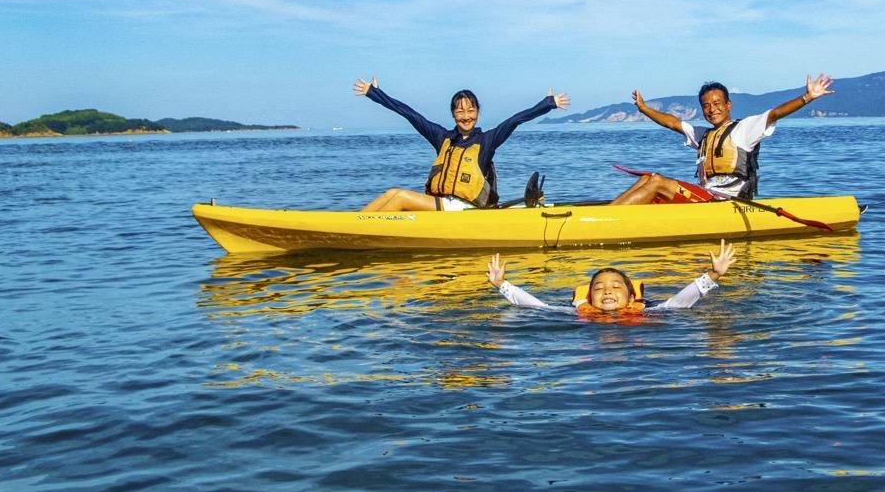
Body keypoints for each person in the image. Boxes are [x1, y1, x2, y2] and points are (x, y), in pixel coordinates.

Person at [609, 75, 833, 205]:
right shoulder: (703, 136)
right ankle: (604, 215)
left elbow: (775, 113)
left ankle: (606, 220)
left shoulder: (745, 129)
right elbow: (672, 122)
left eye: (717, 103)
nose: (712, 109)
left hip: (727, 203)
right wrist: (644, 108)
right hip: (706, 197)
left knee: (657, 182)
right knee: (648, 179)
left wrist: (807, 98)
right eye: (706, 105)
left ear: (728, 105)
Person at [353, 78, 569, 211]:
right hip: (443, 205)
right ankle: (355, 224)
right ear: (453, 114)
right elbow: (410, 114)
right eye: (460, 111)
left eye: (471, 110)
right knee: (391, 194)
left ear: (478, 112)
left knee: (398, 196)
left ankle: (357, 228)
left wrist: (548, 104)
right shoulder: (442, 138)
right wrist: (375, 93)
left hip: (463, 208)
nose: (466, 116)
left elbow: (515, 120)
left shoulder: (487, 141)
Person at [486, 241, 736, 315]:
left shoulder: (647, 311)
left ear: (631, 296)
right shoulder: (576, 312)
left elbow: (679, 303)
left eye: (616, 286)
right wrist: (502, 286)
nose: (607, 291)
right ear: (588, 296)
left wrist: (712, 275)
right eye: (599, 288)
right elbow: (537, 306)